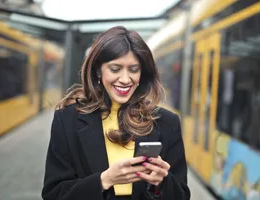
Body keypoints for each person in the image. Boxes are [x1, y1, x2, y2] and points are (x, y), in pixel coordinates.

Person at [41, 26, 190, 200]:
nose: (126, 79)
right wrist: (104, 180)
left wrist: (162, 183)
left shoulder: (167, 122)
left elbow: (182, 195)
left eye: (134, 69)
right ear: (98, 70)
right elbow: (53, 193)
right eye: (115, 69)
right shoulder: (67, 119)